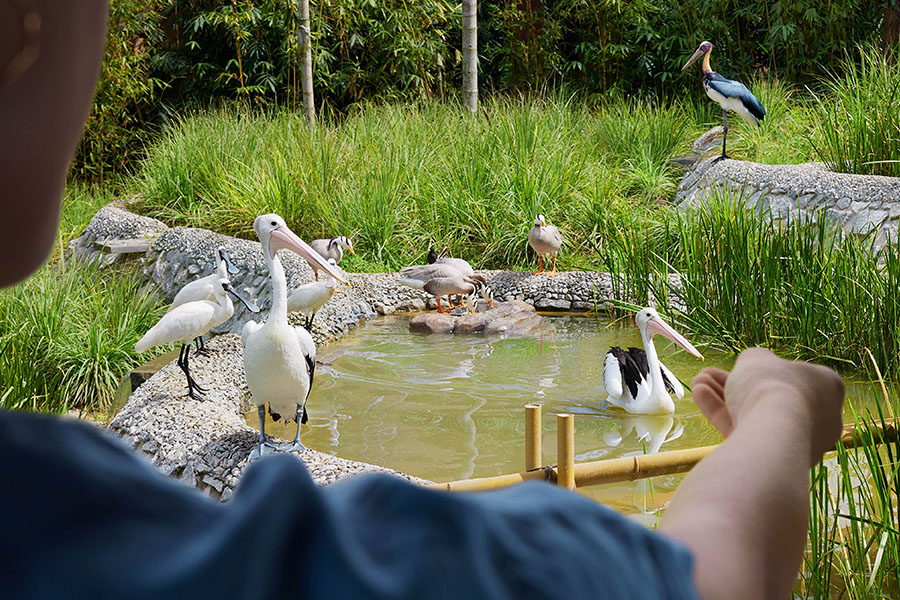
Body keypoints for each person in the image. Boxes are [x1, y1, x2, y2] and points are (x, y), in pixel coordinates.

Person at [0, 3, 845, 598]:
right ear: (21, 32)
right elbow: (707, 575)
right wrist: (780, 413)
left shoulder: (70, 515)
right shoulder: (347, 551)